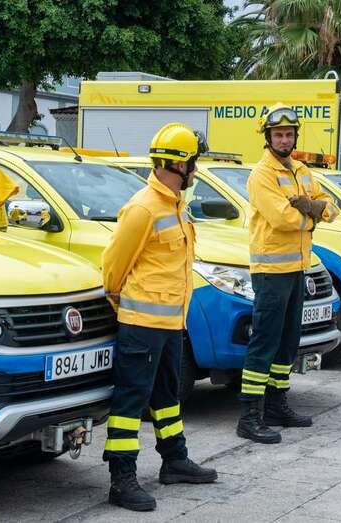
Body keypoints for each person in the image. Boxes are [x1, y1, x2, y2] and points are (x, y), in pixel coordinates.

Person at [101, 123, 216, 512]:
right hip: (142, 325)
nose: (197, 169)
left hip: (170, 323)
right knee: (131, 401)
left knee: (167, 396)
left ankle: (174, 460)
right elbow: (113, 268)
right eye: (194, 162)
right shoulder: (143, 208)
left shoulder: (176, 205)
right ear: (180, 165)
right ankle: (122, 479)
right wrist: (125, 305)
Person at [237, 103, 339, 444]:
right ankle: (249, 416)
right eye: (278, 134)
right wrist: (313, 215)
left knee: (287, 342)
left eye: (289, 134)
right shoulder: (261, 175)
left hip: (297, 268)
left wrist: (314, 207)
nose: (284, 140)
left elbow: (332, 207)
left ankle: (276, 405)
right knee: (264, 342)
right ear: (268, 137)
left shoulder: (301, 170)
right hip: (271, 271)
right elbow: (283, 218)